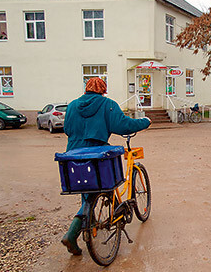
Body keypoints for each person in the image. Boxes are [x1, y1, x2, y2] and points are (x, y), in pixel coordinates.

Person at [61, 77, 151, 255]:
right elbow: (123, 125)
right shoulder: (107, 104)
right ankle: (72, 233)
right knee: (104, 185)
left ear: (86, 89)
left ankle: (91, 224)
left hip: (73, 154)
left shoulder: (72, 105)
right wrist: (145, 121)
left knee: (86, 189)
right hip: (97, 154)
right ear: (103, 90)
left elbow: (67, 129)